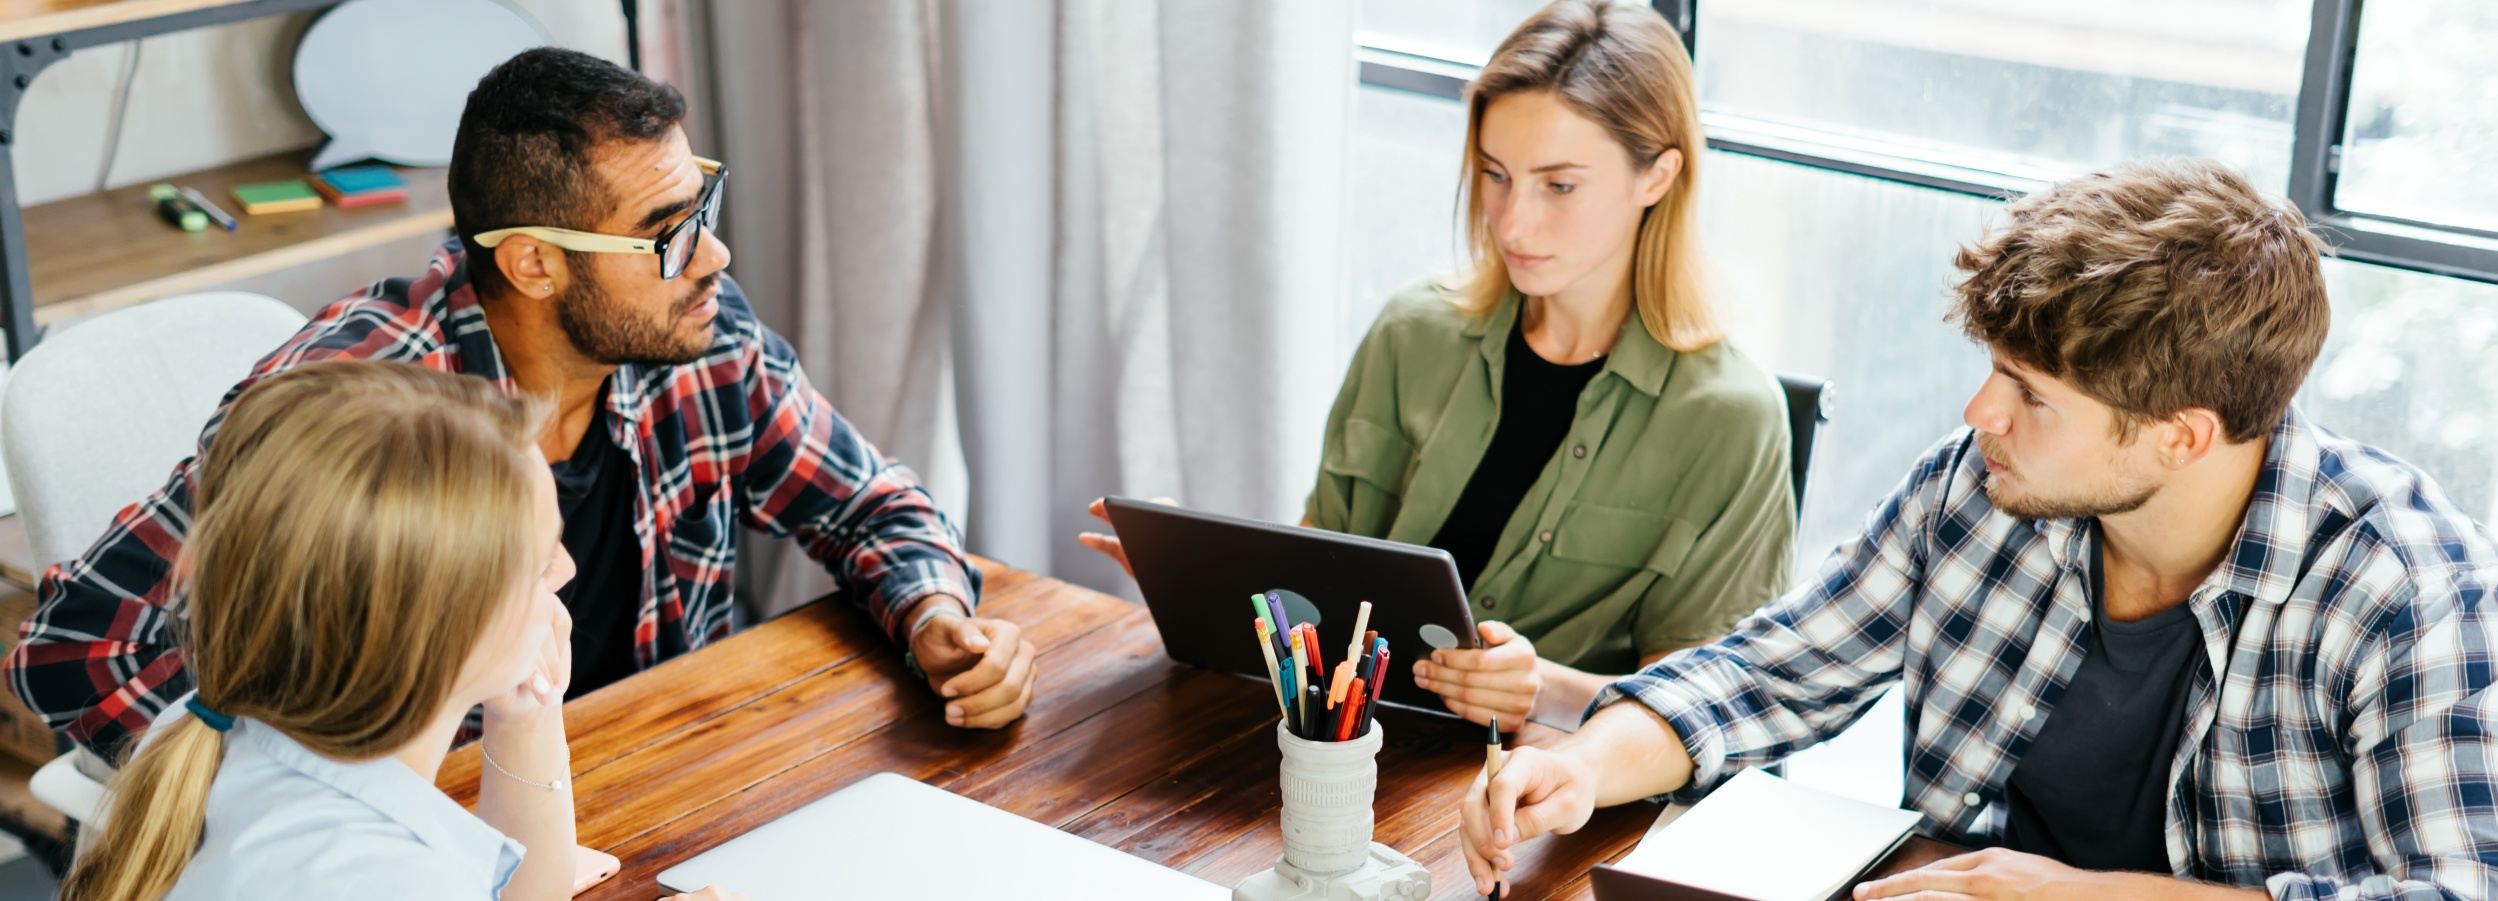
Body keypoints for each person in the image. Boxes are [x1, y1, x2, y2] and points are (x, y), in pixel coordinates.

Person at [1458, 158, 2498, 899]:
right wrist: (1587, 764)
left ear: (2180, 437)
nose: (1976, 415)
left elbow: (2456, 890)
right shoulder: (1980, 487)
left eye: (2028, 393)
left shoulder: (2404, 585)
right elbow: (1770, 673)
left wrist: (2073, 897)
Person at [9, 47, 1037, 768]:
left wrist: (936, 619)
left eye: (703, 210)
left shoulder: (697, 336)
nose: (714, 256)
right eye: (669, 233)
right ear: (535, 262)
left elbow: (868, 508)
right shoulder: (348, 408)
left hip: (666, 767)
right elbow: (76, 648)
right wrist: (288, 817)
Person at [1080, 0, 1793, 730]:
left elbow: (1708, 707)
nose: (1512, 222)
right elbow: (1318, 594)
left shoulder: (1732, 417)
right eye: (1494, 174)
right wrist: (1214, 580)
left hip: (1542, 805)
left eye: (1560, 185)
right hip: (1347, 753)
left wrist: (1538, 689)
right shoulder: (1412, 331)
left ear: (1658, 176)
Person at [57, 361, 741, 901]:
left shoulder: (213, 723)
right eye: (538, 564)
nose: (565, 570)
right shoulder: (385, 880)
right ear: (447, 625)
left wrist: (527, 715)